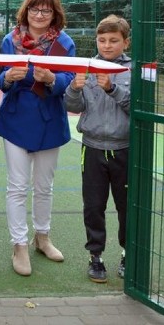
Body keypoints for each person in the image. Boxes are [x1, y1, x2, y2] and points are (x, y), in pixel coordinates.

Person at [0, 0, 75, 277]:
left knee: (44, 185)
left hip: (49, 119)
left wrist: (53, 79)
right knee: (17, 186)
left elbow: (69, 77)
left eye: (46, 10)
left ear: (54, 14)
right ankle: (19, 245)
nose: (39, 15)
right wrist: (7, 77)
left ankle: (43, 237)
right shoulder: (10, 40)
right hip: (16, 119)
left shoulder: (64, 43)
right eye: (34, 9)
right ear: (25, 10)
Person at [65, 15, 131, 283]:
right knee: (93, 206)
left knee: (128, 206)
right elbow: (74, 106)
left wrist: (112, 88)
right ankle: (96, 257)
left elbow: (139, 108)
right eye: (102, 40)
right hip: (91, 149)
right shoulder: (87, 67)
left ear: (126, 42)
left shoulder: (133, 69)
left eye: (114, 40)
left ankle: (130, 254)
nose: (107, 45)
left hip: (125, 149)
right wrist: (73, 87)